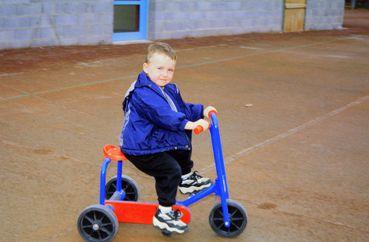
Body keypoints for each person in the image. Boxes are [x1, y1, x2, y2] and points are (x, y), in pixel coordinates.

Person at [119, 42, 216, 234]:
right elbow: (163, 114)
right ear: (146, 67)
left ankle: (185, 177)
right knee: (169, 170)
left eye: (170, 70)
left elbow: (182, 109)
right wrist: (189, 124)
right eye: (160, 68)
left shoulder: (169, 89)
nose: (165, 74)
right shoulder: (142, 93)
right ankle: (164, 213)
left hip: (153, 139)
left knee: (181, 140)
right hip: (139, 146)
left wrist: (201, 111)